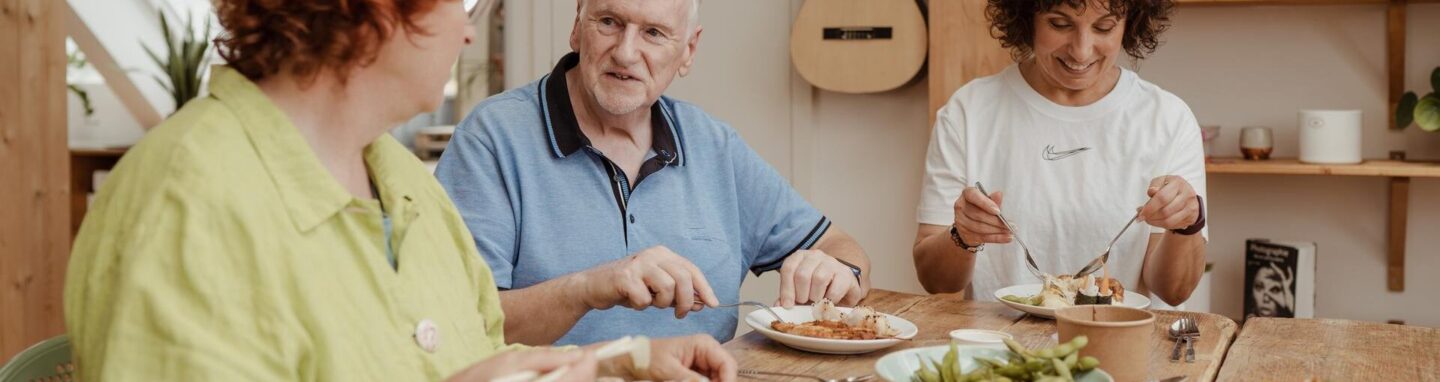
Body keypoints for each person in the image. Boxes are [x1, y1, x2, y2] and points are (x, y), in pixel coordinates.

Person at [63, 0, 734, 380]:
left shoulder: (403, 178)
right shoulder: (185, 206)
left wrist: (621, 360)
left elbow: (477, 350)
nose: (469, 31)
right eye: (455, 5)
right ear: (378, 11)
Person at [435, 0, 872, 346]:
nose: (626, 52)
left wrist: (836, 271)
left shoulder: (712, 143)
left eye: (654, 33)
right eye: (608, 21)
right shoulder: (492, 137)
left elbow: (845, 251)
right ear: (576, 25)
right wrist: (591, 286)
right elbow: (463, 322)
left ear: (688, 51)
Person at [910, 0, 1207, 306]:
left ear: (1129, 23)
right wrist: (963, 236)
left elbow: (1173, 292)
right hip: (1000, 345)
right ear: (1027, 20)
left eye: (1104, 27)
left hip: (1120, 344)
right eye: (1060, 24)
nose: (1081, 50)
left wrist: (1186, 224)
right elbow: (935, 281)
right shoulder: (968, 112)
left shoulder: (1168, 119)